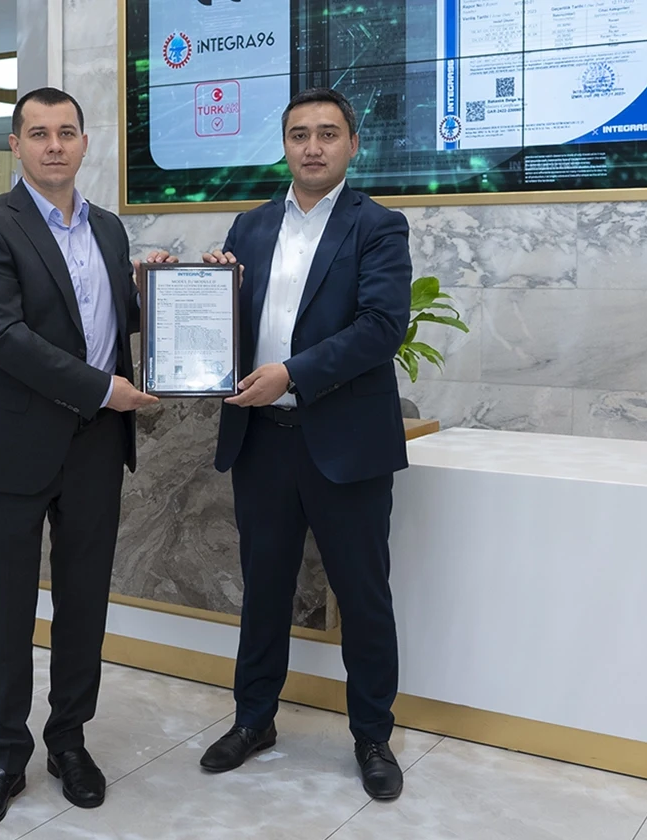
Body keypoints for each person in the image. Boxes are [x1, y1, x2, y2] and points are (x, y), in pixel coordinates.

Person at [0, 86, 166, 834]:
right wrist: (104, 390)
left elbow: (109, 319)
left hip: (96, 448)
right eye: (38, 133)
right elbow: (1, 335)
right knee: (6, 611)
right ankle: (4, 756)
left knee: (84, 605)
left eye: (66, 132)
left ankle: (69, 740)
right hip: (12, 445)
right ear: (16, 145)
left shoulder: (108, 228)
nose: (54, 146)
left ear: (84, 142)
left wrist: (160, 289)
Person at [197, 87, 413, 800]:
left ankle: (373, 735)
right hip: (262, 441)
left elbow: (381, 327)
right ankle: (253, 719)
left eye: (327, 133)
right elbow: (228, 321)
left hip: (345, 444)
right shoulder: (251, 226)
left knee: (363, 594)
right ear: (284, 146)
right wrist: (200, 289)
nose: (312, 147)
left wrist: (290, 373)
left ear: (353, 144)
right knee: (263, 590)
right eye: (299, 135)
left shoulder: (378, 227)